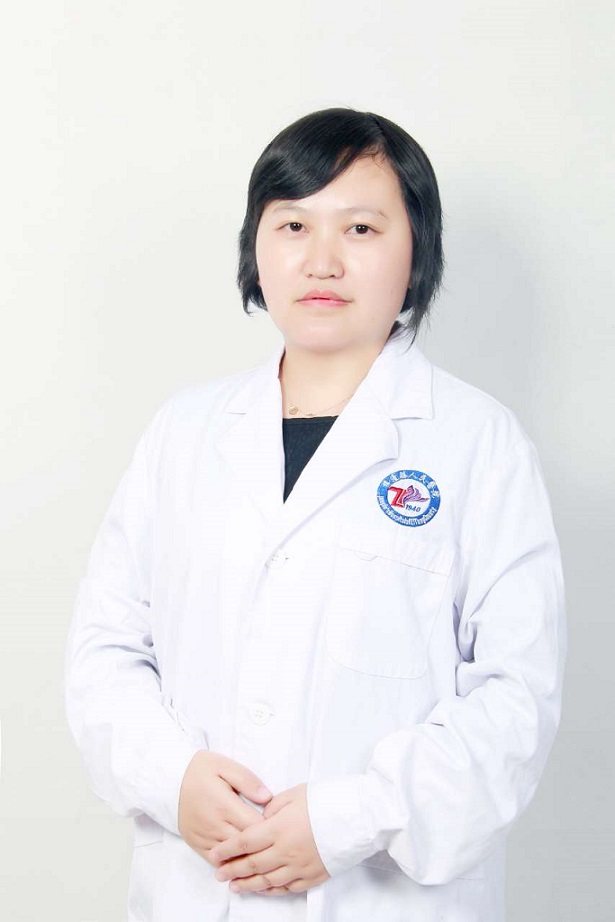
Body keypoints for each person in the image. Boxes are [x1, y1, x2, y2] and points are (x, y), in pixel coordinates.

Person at [65, 107, 566, 921]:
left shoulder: (479, 443)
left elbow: (516, 696)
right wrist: (174, 780)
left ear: (417, 251)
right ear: (256, 249)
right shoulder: (183, 433)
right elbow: (106, 651)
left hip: (382, 897)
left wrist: (348, 821)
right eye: (293, 224)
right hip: (196, 890)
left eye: (361, 228)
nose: (322, 260)